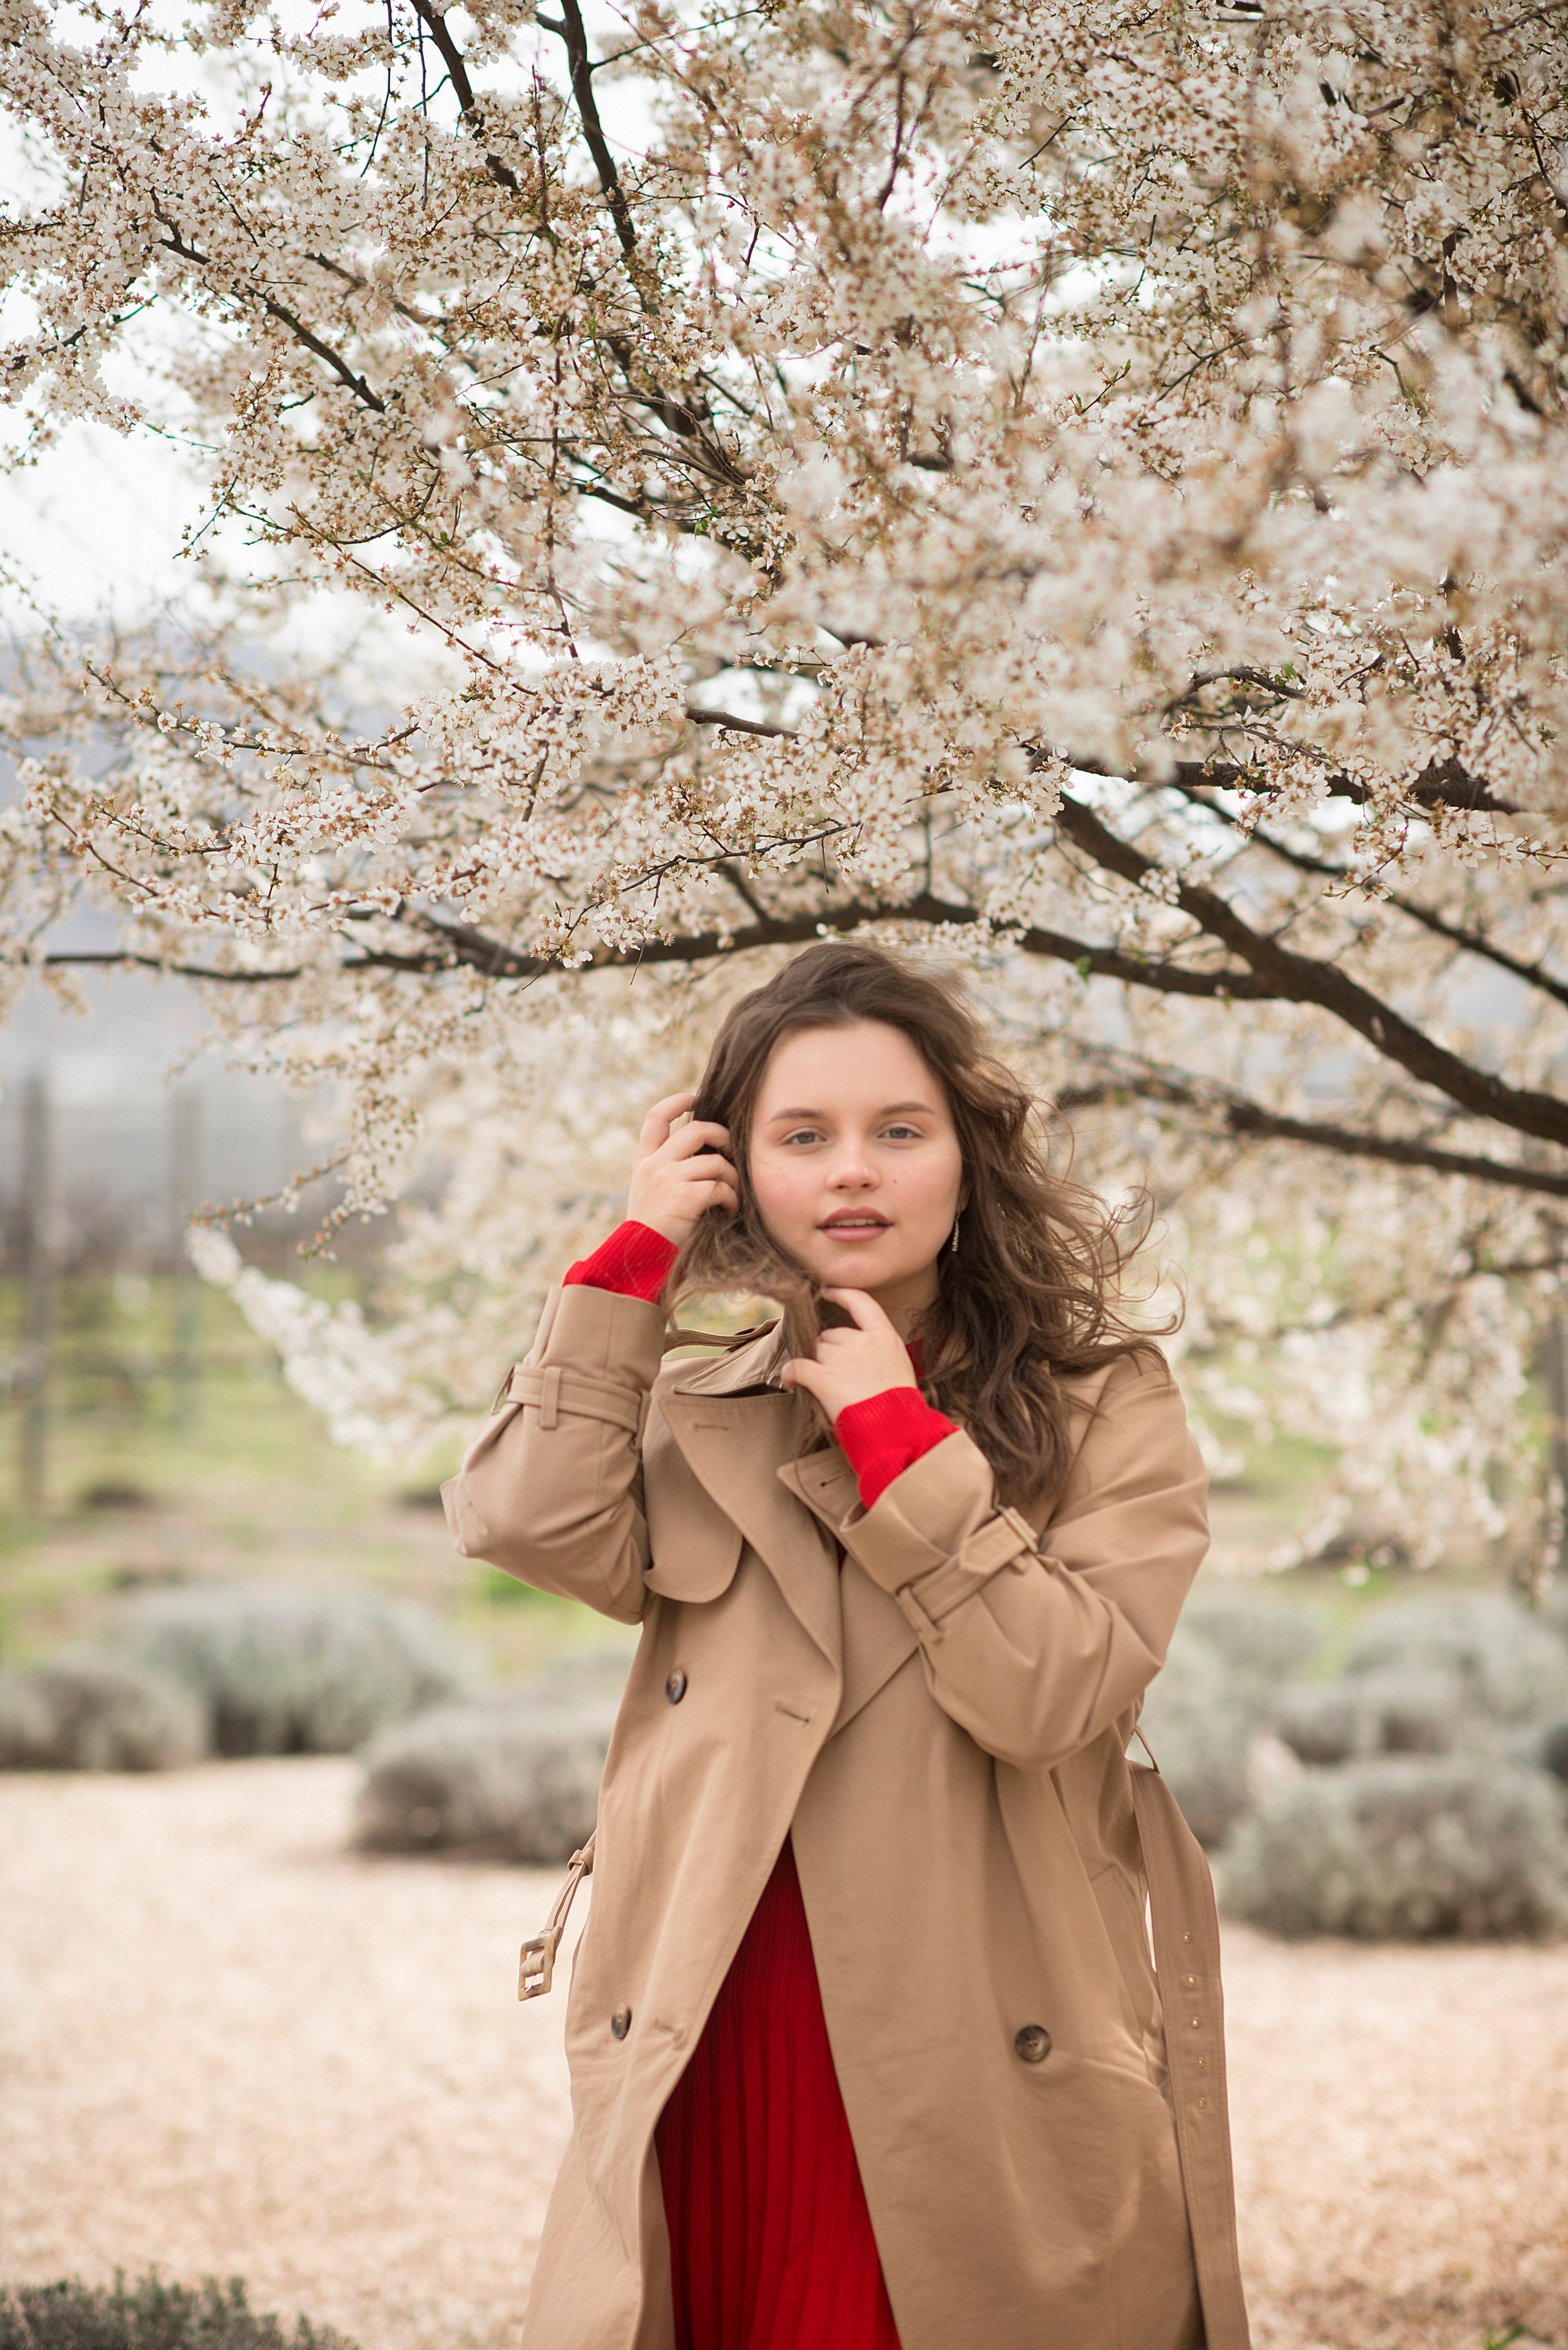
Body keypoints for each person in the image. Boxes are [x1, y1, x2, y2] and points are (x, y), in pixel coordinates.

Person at [443, 943, 1251, 2350]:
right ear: (732, 1166)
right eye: (800, 1136)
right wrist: (626, 1267)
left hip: (976, 2010)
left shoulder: (1101, 1396)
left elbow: (1053, 1689)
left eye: (898, 1129)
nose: (851, 1172)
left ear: (964, 1157)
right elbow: (522, 1521)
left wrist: (899, 1442)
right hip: (718, 1994)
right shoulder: (698, 1390)